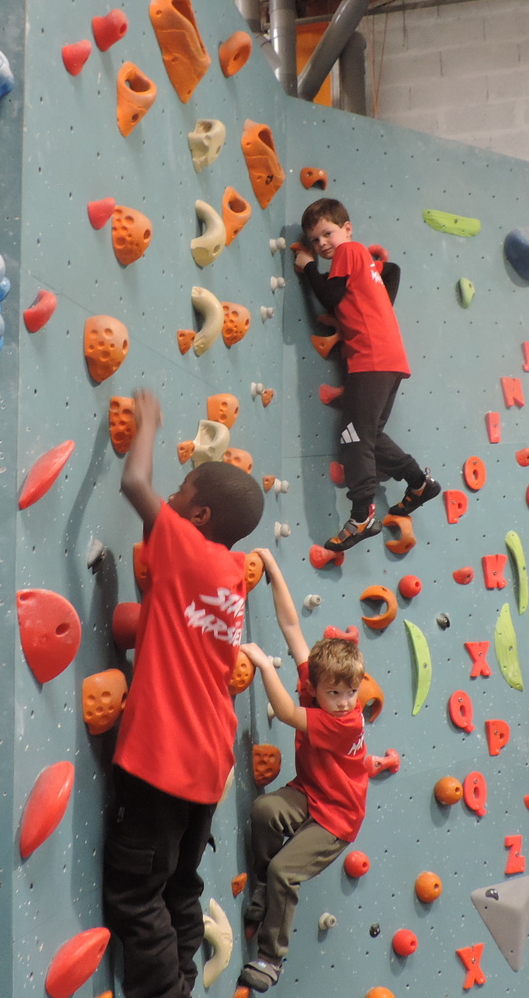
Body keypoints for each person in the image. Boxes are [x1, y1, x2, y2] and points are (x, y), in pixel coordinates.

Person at [102, 388, 266, 998]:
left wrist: (146, 423)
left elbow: (134, 483)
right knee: (179, 886)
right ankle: (183, 984)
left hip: (163, 758)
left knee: (134, 893)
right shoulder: (229, 573)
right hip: (206, 758)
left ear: (197, 518)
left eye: (182, 494)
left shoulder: (187, 549)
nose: (170, 497)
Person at [236, 547, 368, 993]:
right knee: (264, 811)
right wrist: (274, 568)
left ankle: (271, 957)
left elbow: (288, 712)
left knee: (284, 872)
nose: (345, 701)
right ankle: (262, 887)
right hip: (311, 792)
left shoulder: (344, 723)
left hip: (337, 818)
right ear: (317, 683)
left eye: (351, 692)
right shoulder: (316, 681)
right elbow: (292, 626)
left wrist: (260, 663)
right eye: (335, 693)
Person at [293, 196, 437, 552]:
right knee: (368, 435)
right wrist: (373, 304)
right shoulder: (364, 263)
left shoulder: (349, 251)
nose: (322, 244)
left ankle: (361, 516)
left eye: (327, 233)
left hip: (370, 358)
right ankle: (419, 483)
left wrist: (308, 267)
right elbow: (393, 271)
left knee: (353, 437)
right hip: (389, 358)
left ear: (347, 228)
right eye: (314, 240)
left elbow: (329, 296)